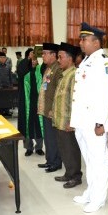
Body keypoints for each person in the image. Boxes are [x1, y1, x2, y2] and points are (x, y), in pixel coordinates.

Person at [70, 22, 108, 213]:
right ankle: (91, 191)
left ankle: (99, 198)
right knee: (88, 159)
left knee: (98, 160)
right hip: (82, 120)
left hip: (95, 121)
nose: (81, 42)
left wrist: (99, 122)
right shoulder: (87, 61)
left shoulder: (103, 62)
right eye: (81, 39)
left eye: (84, 39)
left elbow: (105, 95)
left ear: (96, 42)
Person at [52, 42, 83, 188]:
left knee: (71, 149)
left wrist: (73, 121)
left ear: (70, 59)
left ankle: (76, 176)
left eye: (61, 57)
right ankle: (68, 173)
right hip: (60, 120)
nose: (59, 60)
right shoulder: (64, 75)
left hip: (68, 122)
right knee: (64, 148)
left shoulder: (74, 75)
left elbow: (75, 100)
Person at [37, 43, 63, 172]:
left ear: (53, 55)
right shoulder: (47, 68)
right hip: (45, 109)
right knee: (48, 137)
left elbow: (59, 92)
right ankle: (49, 160)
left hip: (52, 110)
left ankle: (56, 162)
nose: (43, 56)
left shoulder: (57, 69)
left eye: (45, 53)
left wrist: (54, 108)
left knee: (53, 138)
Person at [20, 56, 45, 156]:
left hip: (38, 102)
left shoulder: (41, 71)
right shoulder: (25, 72)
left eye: (35, 60)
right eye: (32, 60)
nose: (34, 62)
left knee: (39, 125)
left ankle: (39, 147)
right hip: (27, 103)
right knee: (28, 125)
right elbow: (19, 68)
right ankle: (28, 148)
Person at [0, 52, 12, 116]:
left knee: (7, 98)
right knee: (0, 99)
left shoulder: (8, 66)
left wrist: (11, 84)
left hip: (7, 85)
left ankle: (7, 111)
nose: (3, 59)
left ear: (6, 58)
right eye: (1, 57)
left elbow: (10, 75)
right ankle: (1, 112)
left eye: (4, 57)